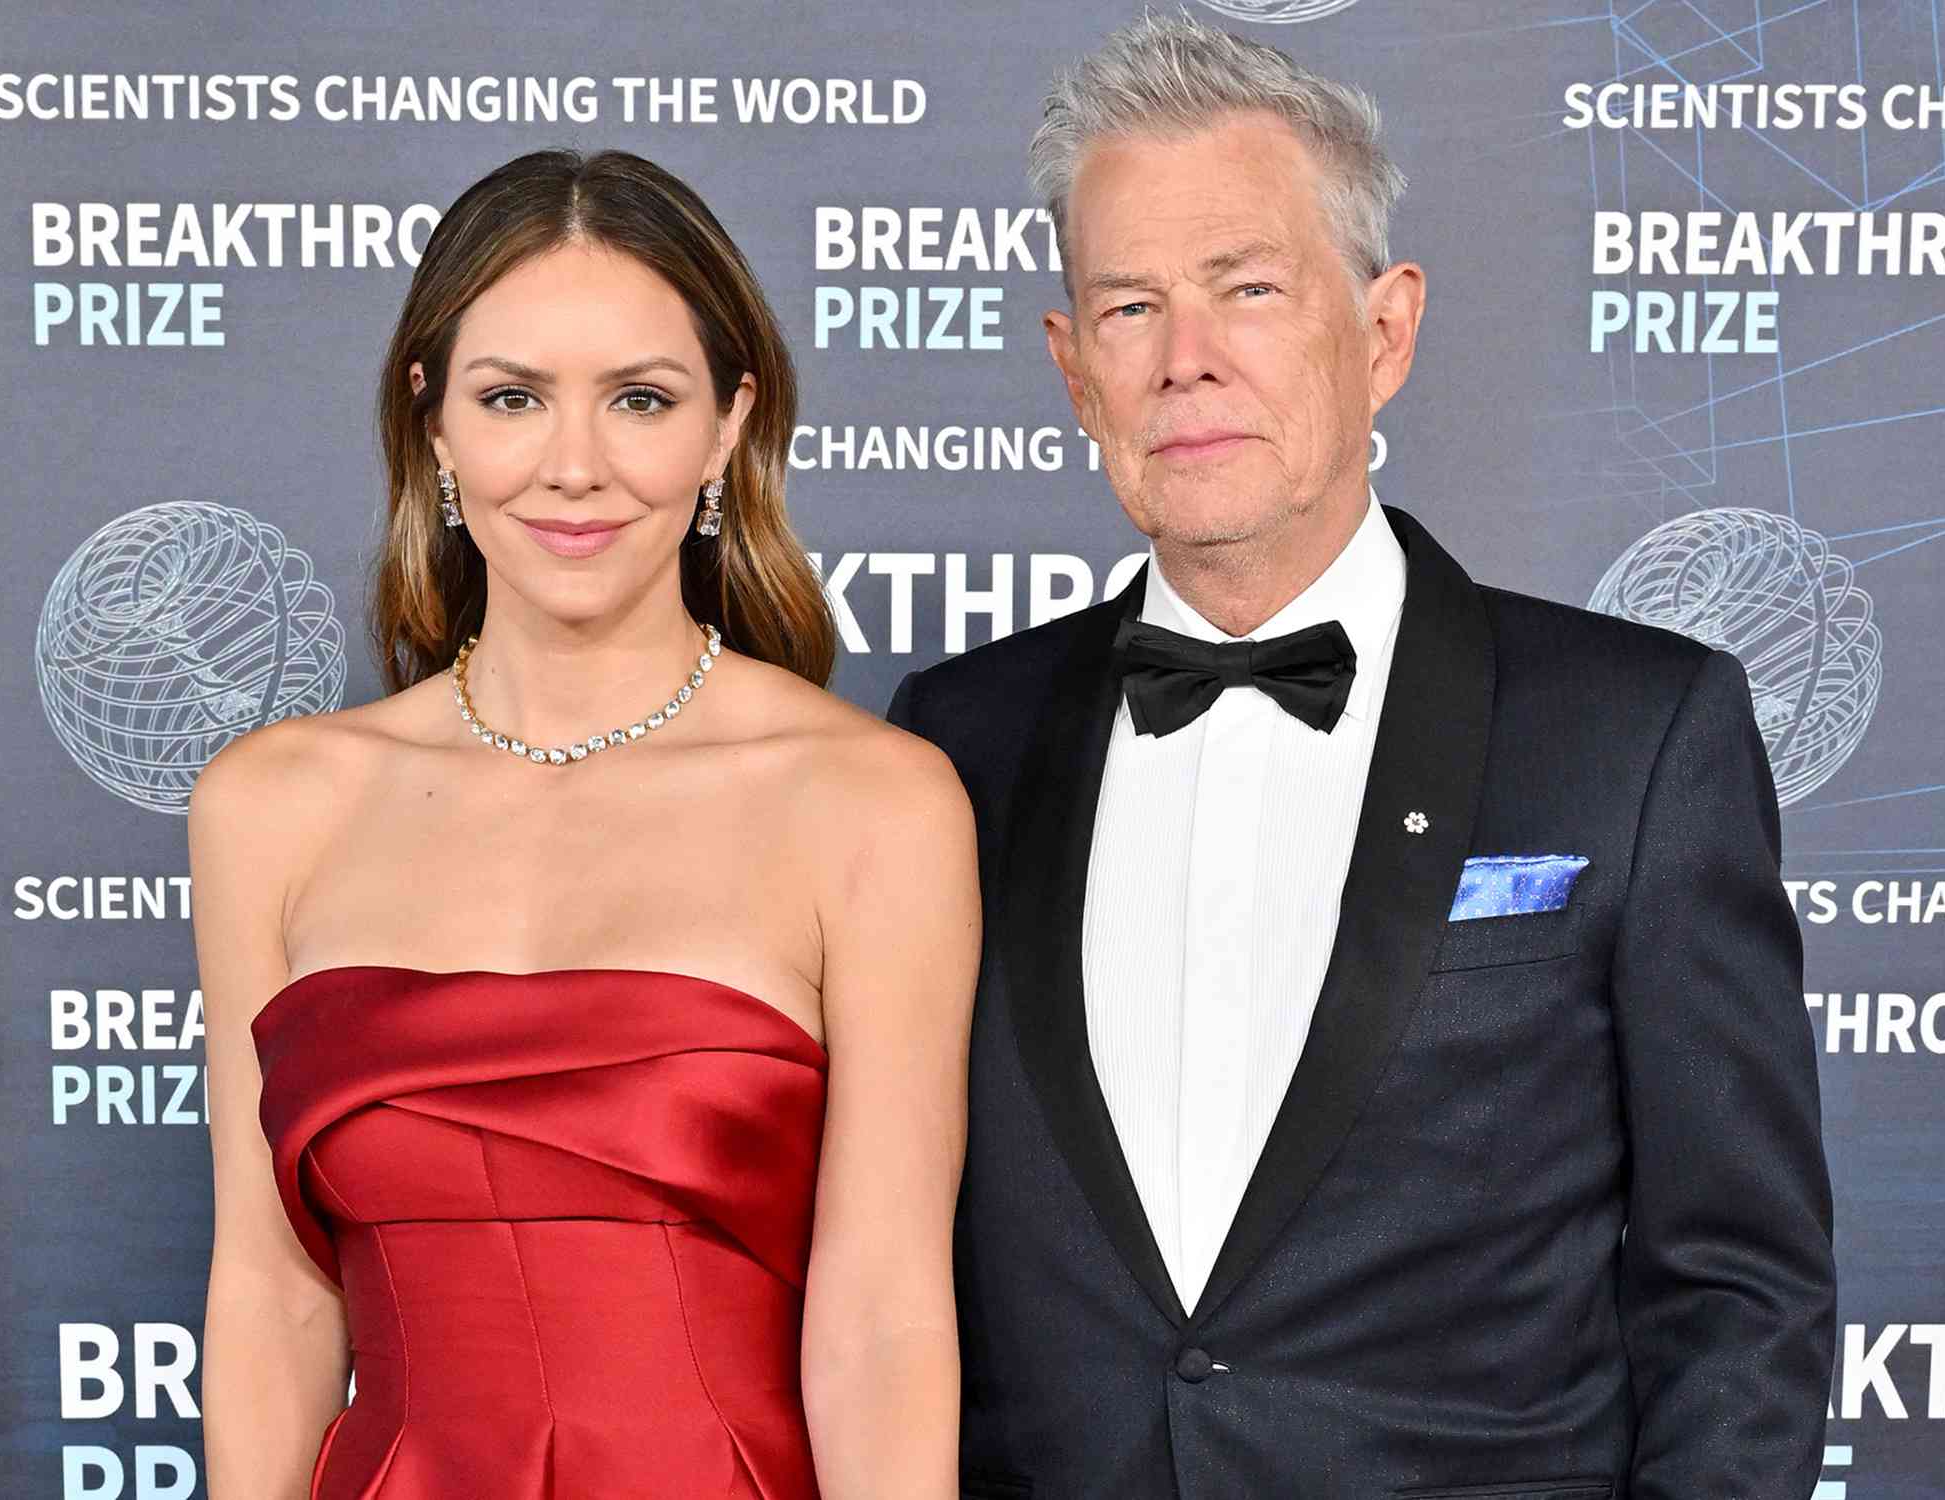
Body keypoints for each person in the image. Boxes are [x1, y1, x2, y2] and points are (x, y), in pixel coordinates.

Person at [887, 15, 1836, 1499]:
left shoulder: (1640, 733)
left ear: (1385, 330)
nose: (1186, 362)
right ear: (1074, 370)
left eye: (1248, 289)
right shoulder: (953, 743)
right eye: (1129, 308)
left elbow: (1739, 1296)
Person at [193, 148, 975, 1500]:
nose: (574, 467)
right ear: (433, 421)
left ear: (730, 426)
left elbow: (885, 1324)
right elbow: (272, 1295)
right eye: (513, 398)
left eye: (640, 399)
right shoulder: (272, 805)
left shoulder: (870, 802)